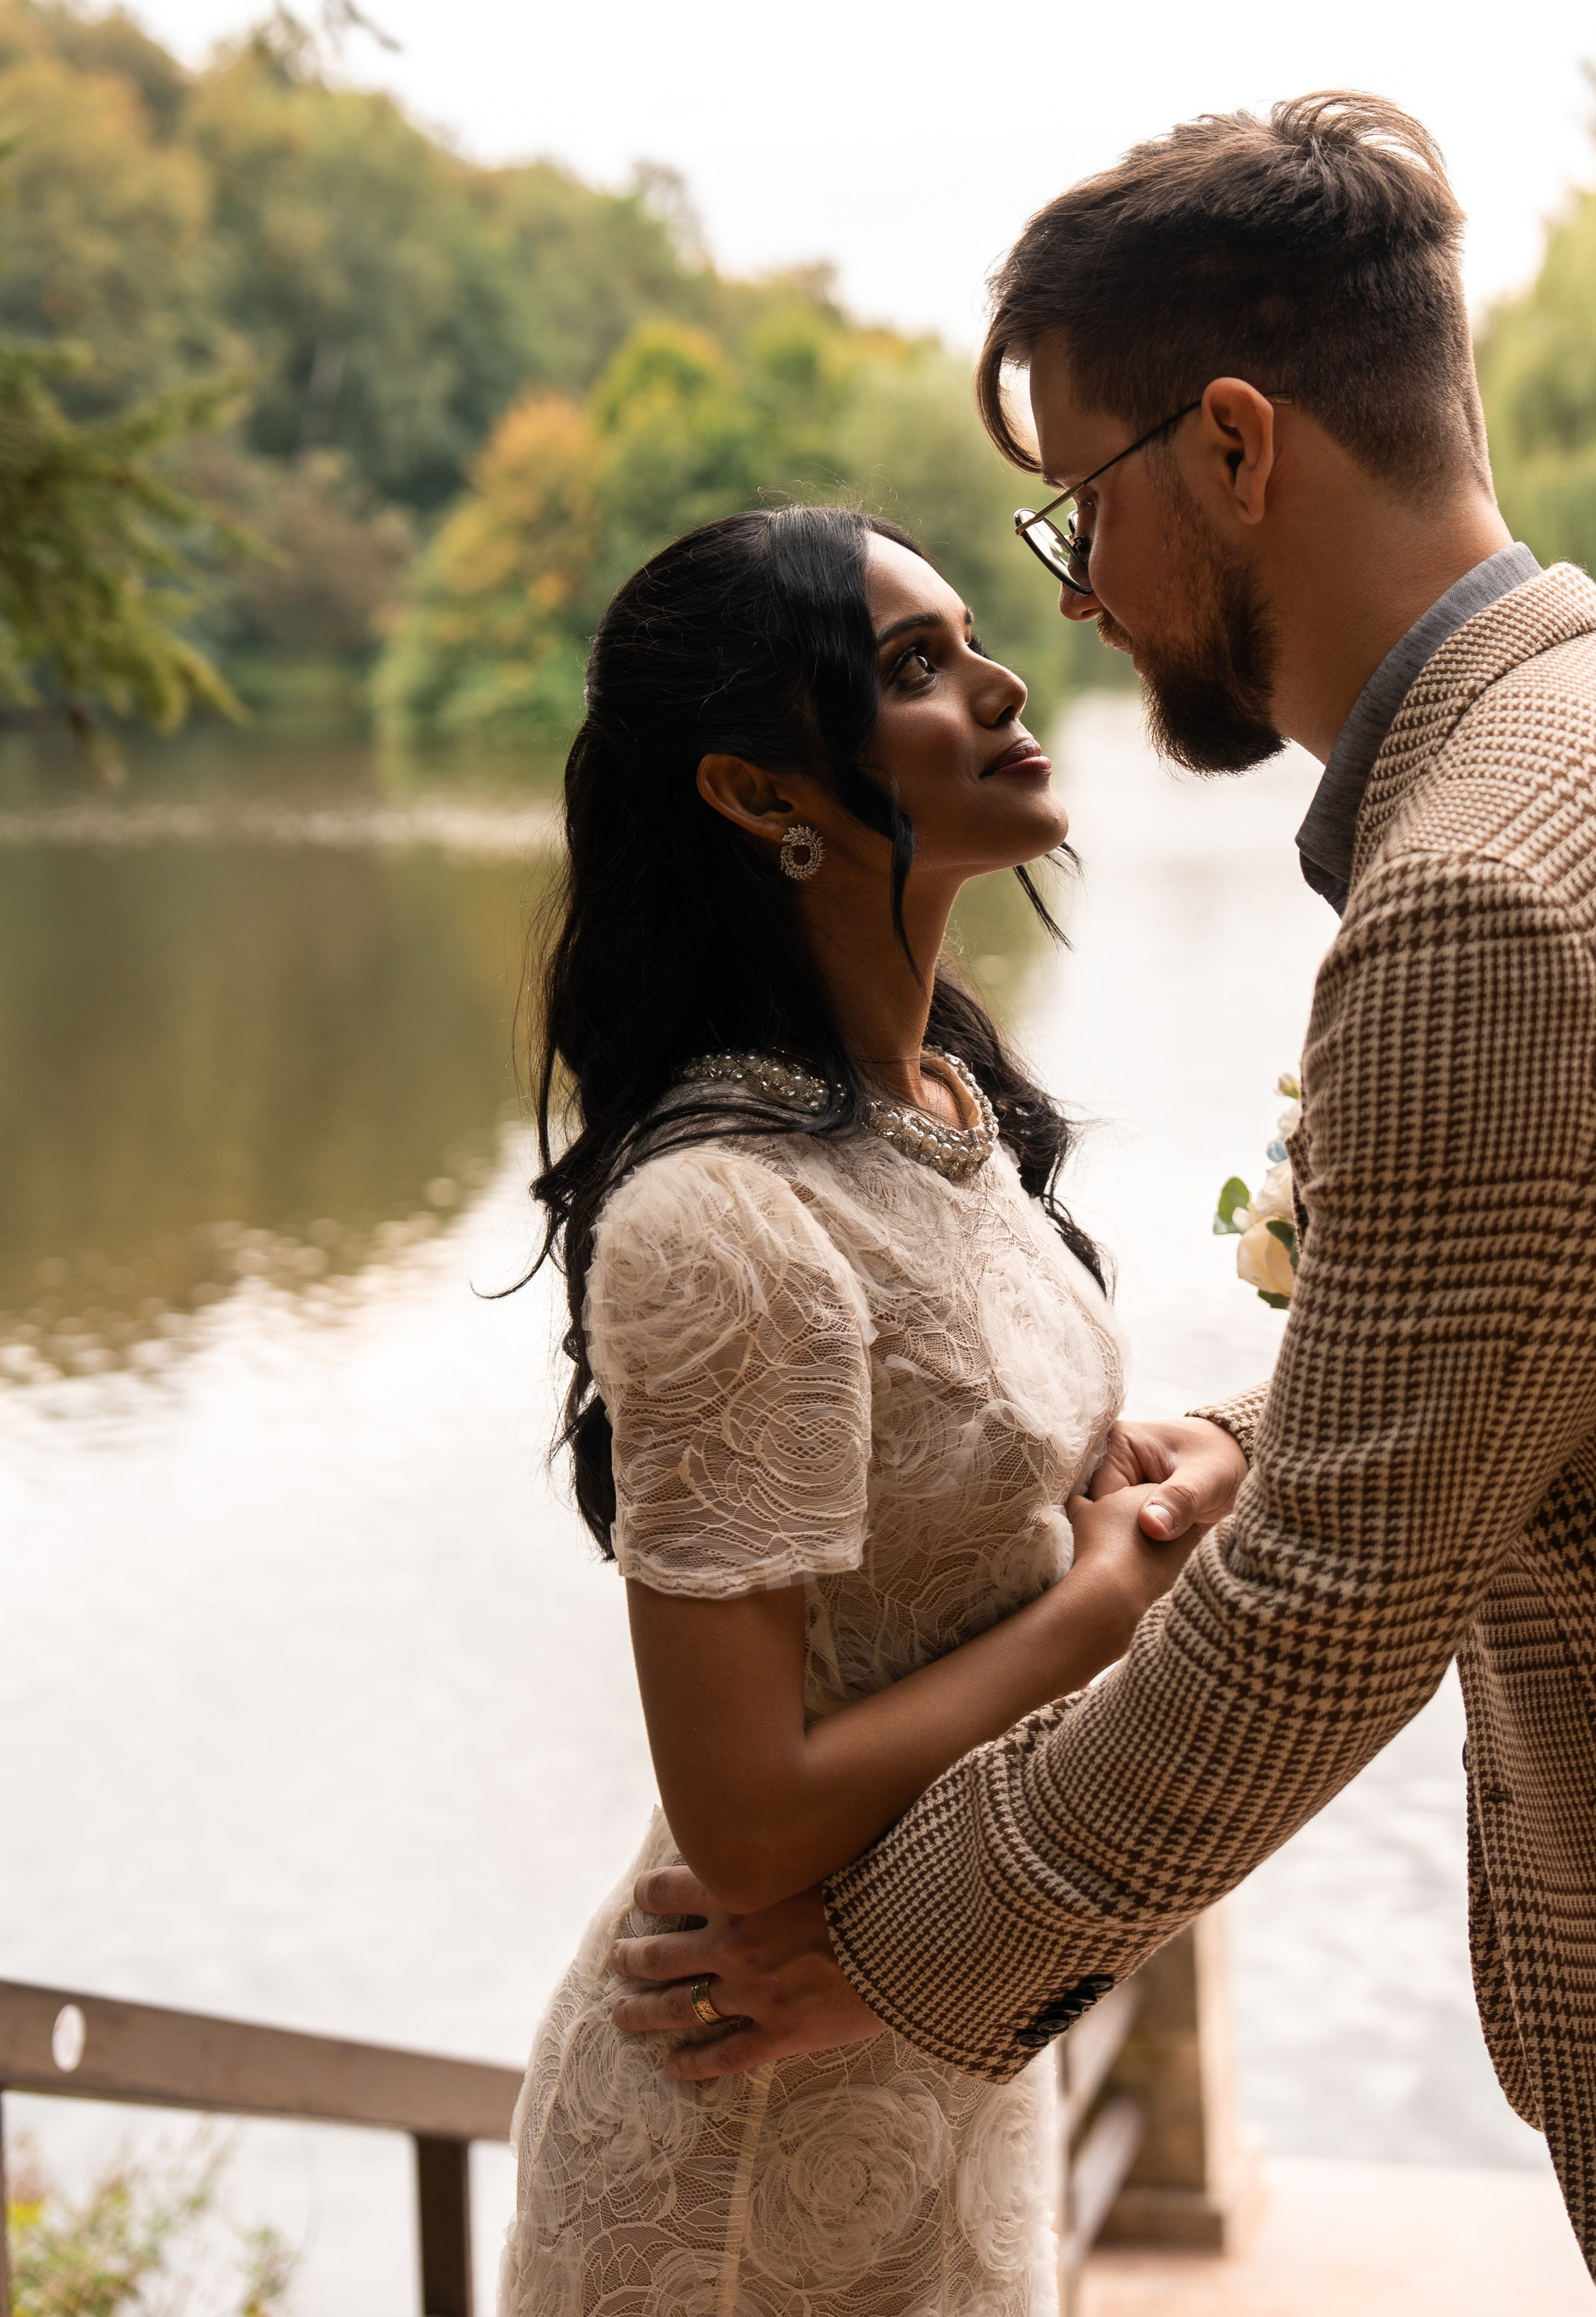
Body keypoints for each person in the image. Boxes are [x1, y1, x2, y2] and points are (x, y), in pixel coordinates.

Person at [611, 96, 1596, 2315]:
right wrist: (1259, 1432)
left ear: (1236, 451)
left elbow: (1323, 1621)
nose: (1075, 600)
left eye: (1080, 505)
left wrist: (881, 1957)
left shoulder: (1488, 899)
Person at [498, 503, 1246, 2317]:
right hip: (738, 2122)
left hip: (942, 2038)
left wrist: (1198, 1459)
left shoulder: (951, 1105)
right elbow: (745, 1819)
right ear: (764, 795)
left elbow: (993, 1489)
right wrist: (1101, 1597)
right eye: (912, 666)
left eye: (972, 635)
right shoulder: (719, 1220)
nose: (1000, 682)